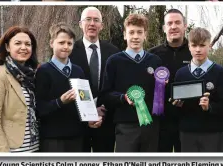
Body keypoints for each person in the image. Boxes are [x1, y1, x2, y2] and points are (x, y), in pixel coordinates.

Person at [98, 14, 162, 152]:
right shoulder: (114, 61)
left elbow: (160, 94)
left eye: (140, 32)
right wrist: (123, 98)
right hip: (125, 126)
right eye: (131, 32)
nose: (135, 36)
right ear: (125, 35)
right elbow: (105, 95)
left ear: (145, 35)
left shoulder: (155, 61)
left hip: (151, 125)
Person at [35, 23, 102, 152]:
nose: (66, 47)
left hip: (77, 138)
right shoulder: (44, 71)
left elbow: (84, 104)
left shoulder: (78, 71)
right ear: (51, 43)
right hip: (53, 139)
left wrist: (90, 120)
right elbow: (39, 108)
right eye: (61, 43)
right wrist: (60, 102)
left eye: (69, 43)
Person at [172, 27, 223, 152]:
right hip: (187, 133)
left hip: (212, 133)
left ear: (210, 46)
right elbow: (175, 110)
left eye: (202, 45)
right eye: (194, 45)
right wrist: (176, 104)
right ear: (188, 46)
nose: (198, 49)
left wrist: (210, 107)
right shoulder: (180, 74)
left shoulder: (220, 72)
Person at [70, 7, 119, 152]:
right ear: (80, 24)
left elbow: (115, 84)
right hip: (77, 122)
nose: (92, 23)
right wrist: (89, 111)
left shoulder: (113, 52)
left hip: (105, 120)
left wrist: (102, 108)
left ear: (102, 26)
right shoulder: (70, 51)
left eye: (96, 20)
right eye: (88, 19)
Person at [148, 8, 192, 153]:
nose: (173, 26)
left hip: (187, 120)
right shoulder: (153, 54)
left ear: (185, 26)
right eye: (170, 23)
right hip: (160, 123)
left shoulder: (194, 52)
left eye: (177, 22)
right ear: (164, 28)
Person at [0, 26, 39, 152]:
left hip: (33, 149)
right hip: (10, 151)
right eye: (18, 43)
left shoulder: (33, 76)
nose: (24, 47)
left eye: (28, 44)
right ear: (7, 47)